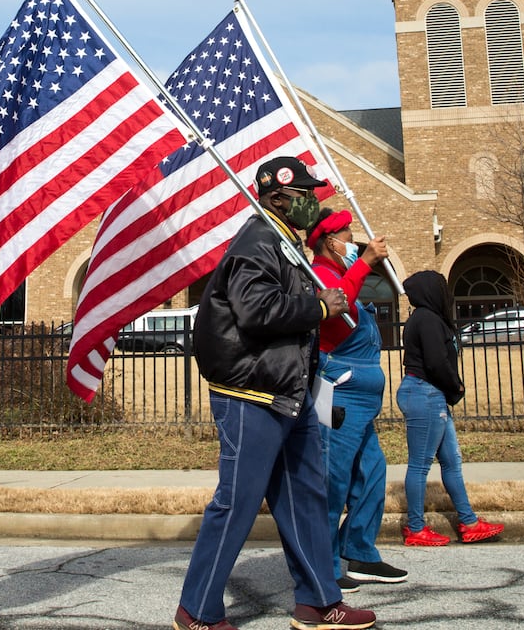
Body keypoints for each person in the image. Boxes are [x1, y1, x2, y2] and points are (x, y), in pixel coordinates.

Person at [173, 156, 376, 630]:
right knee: (237, 502)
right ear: (280, 198)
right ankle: (196, 610)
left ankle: (319, 603)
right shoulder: (257, 242)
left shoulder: (284, 244)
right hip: (251, 395)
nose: (316, 202)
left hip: (290, 394)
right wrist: (319, 304)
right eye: (308, 195)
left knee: (306, 496)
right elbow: (256, 311)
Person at [306, 209, 406, 588]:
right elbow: (336, 310)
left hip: (361, 403)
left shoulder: (341, 273)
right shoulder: (320, 274)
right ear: (331, 242)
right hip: (338, 394)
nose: (352, 242)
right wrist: (364, 263)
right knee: (333, 480)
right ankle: (325, 567)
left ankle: (361, 552)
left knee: (372, 473)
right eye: (347, 235)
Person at [396, 269, 503, 547]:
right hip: (425, 393)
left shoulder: (429, 318)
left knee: (451, 462)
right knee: (420, 465)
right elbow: (436, 362)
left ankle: (469, 522)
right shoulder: (427, 319)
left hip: (432, 394)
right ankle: (416, 528)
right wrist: (456, 386)